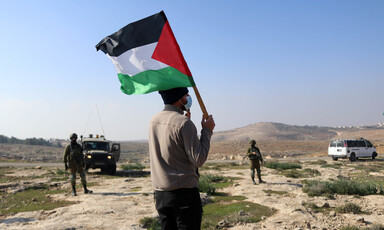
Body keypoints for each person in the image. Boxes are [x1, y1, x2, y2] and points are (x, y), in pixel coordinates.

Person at [149, 87, 215, 230]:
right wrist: (207, 130)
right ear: (180, 99)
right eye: (186, 95)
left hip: (160, 194)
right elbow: (199, 159)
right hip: (184, 193)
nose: (189, 97)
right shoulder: (184, 123)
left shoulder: (153, 120)